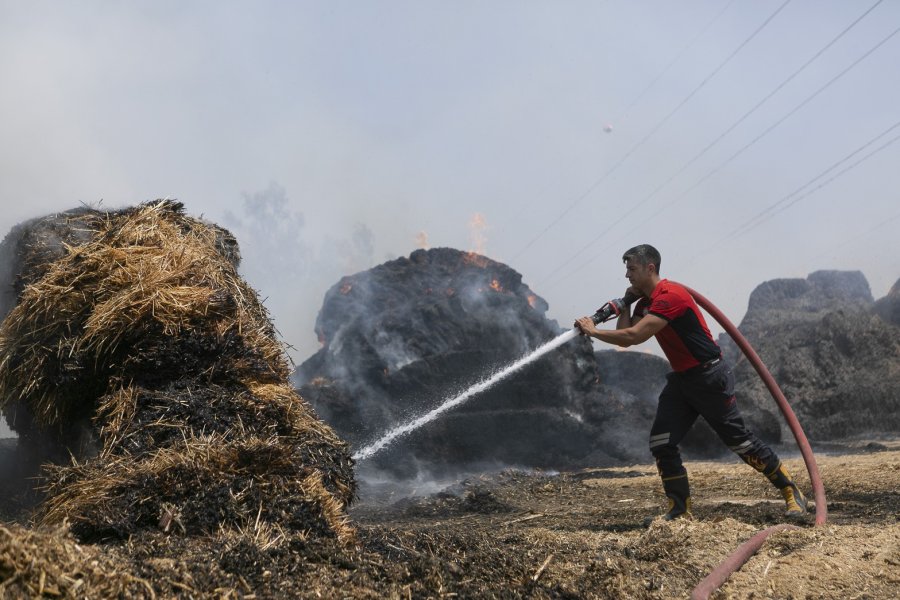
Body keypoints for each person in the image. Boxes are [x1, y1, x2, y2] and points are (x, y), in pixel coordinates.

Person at [574, 244, 808, 521]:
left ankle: (791, 491)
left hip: (709, 377)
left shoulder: (670, 296)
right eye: (626, 270)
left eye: (632, 269)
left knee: (740, 442)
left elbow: (634, 336)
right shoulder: (645, 303)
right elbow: (625, 335)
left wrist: (593, 331)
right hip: (682, 381)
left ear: (650, 268)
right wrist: (625, 303)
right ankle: (680, 510)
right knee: (661, 443)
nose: (627, 275)